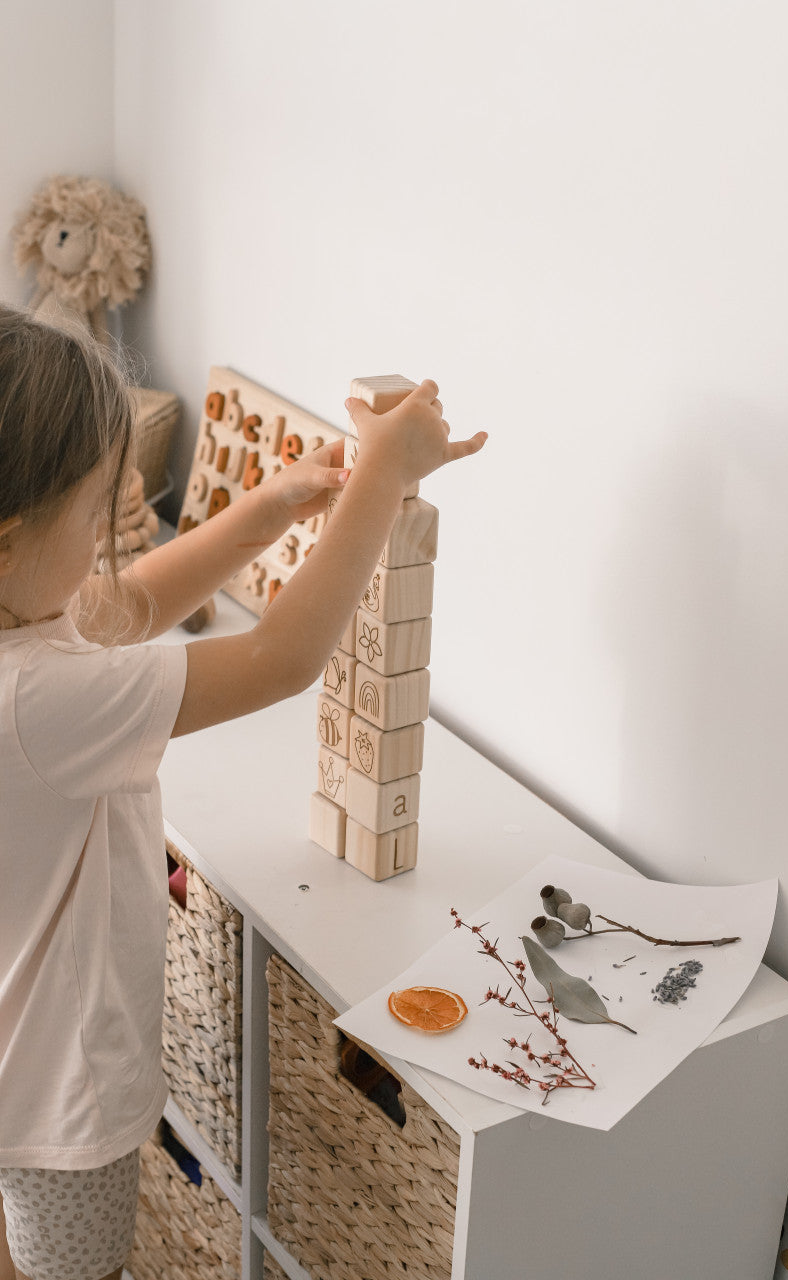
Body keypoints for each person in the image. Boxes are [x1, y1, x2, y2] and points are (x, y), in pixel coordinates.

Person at [0, 305, 487, 1280]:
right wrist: (383, 477)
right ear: (12, 536)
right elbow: (280, 656)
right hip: (62, 1097)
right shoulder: (40, 695)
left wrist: (271, 511)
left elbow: (132, 602)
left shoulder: (24, 617)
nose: (110, 532)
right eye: (97, 507)